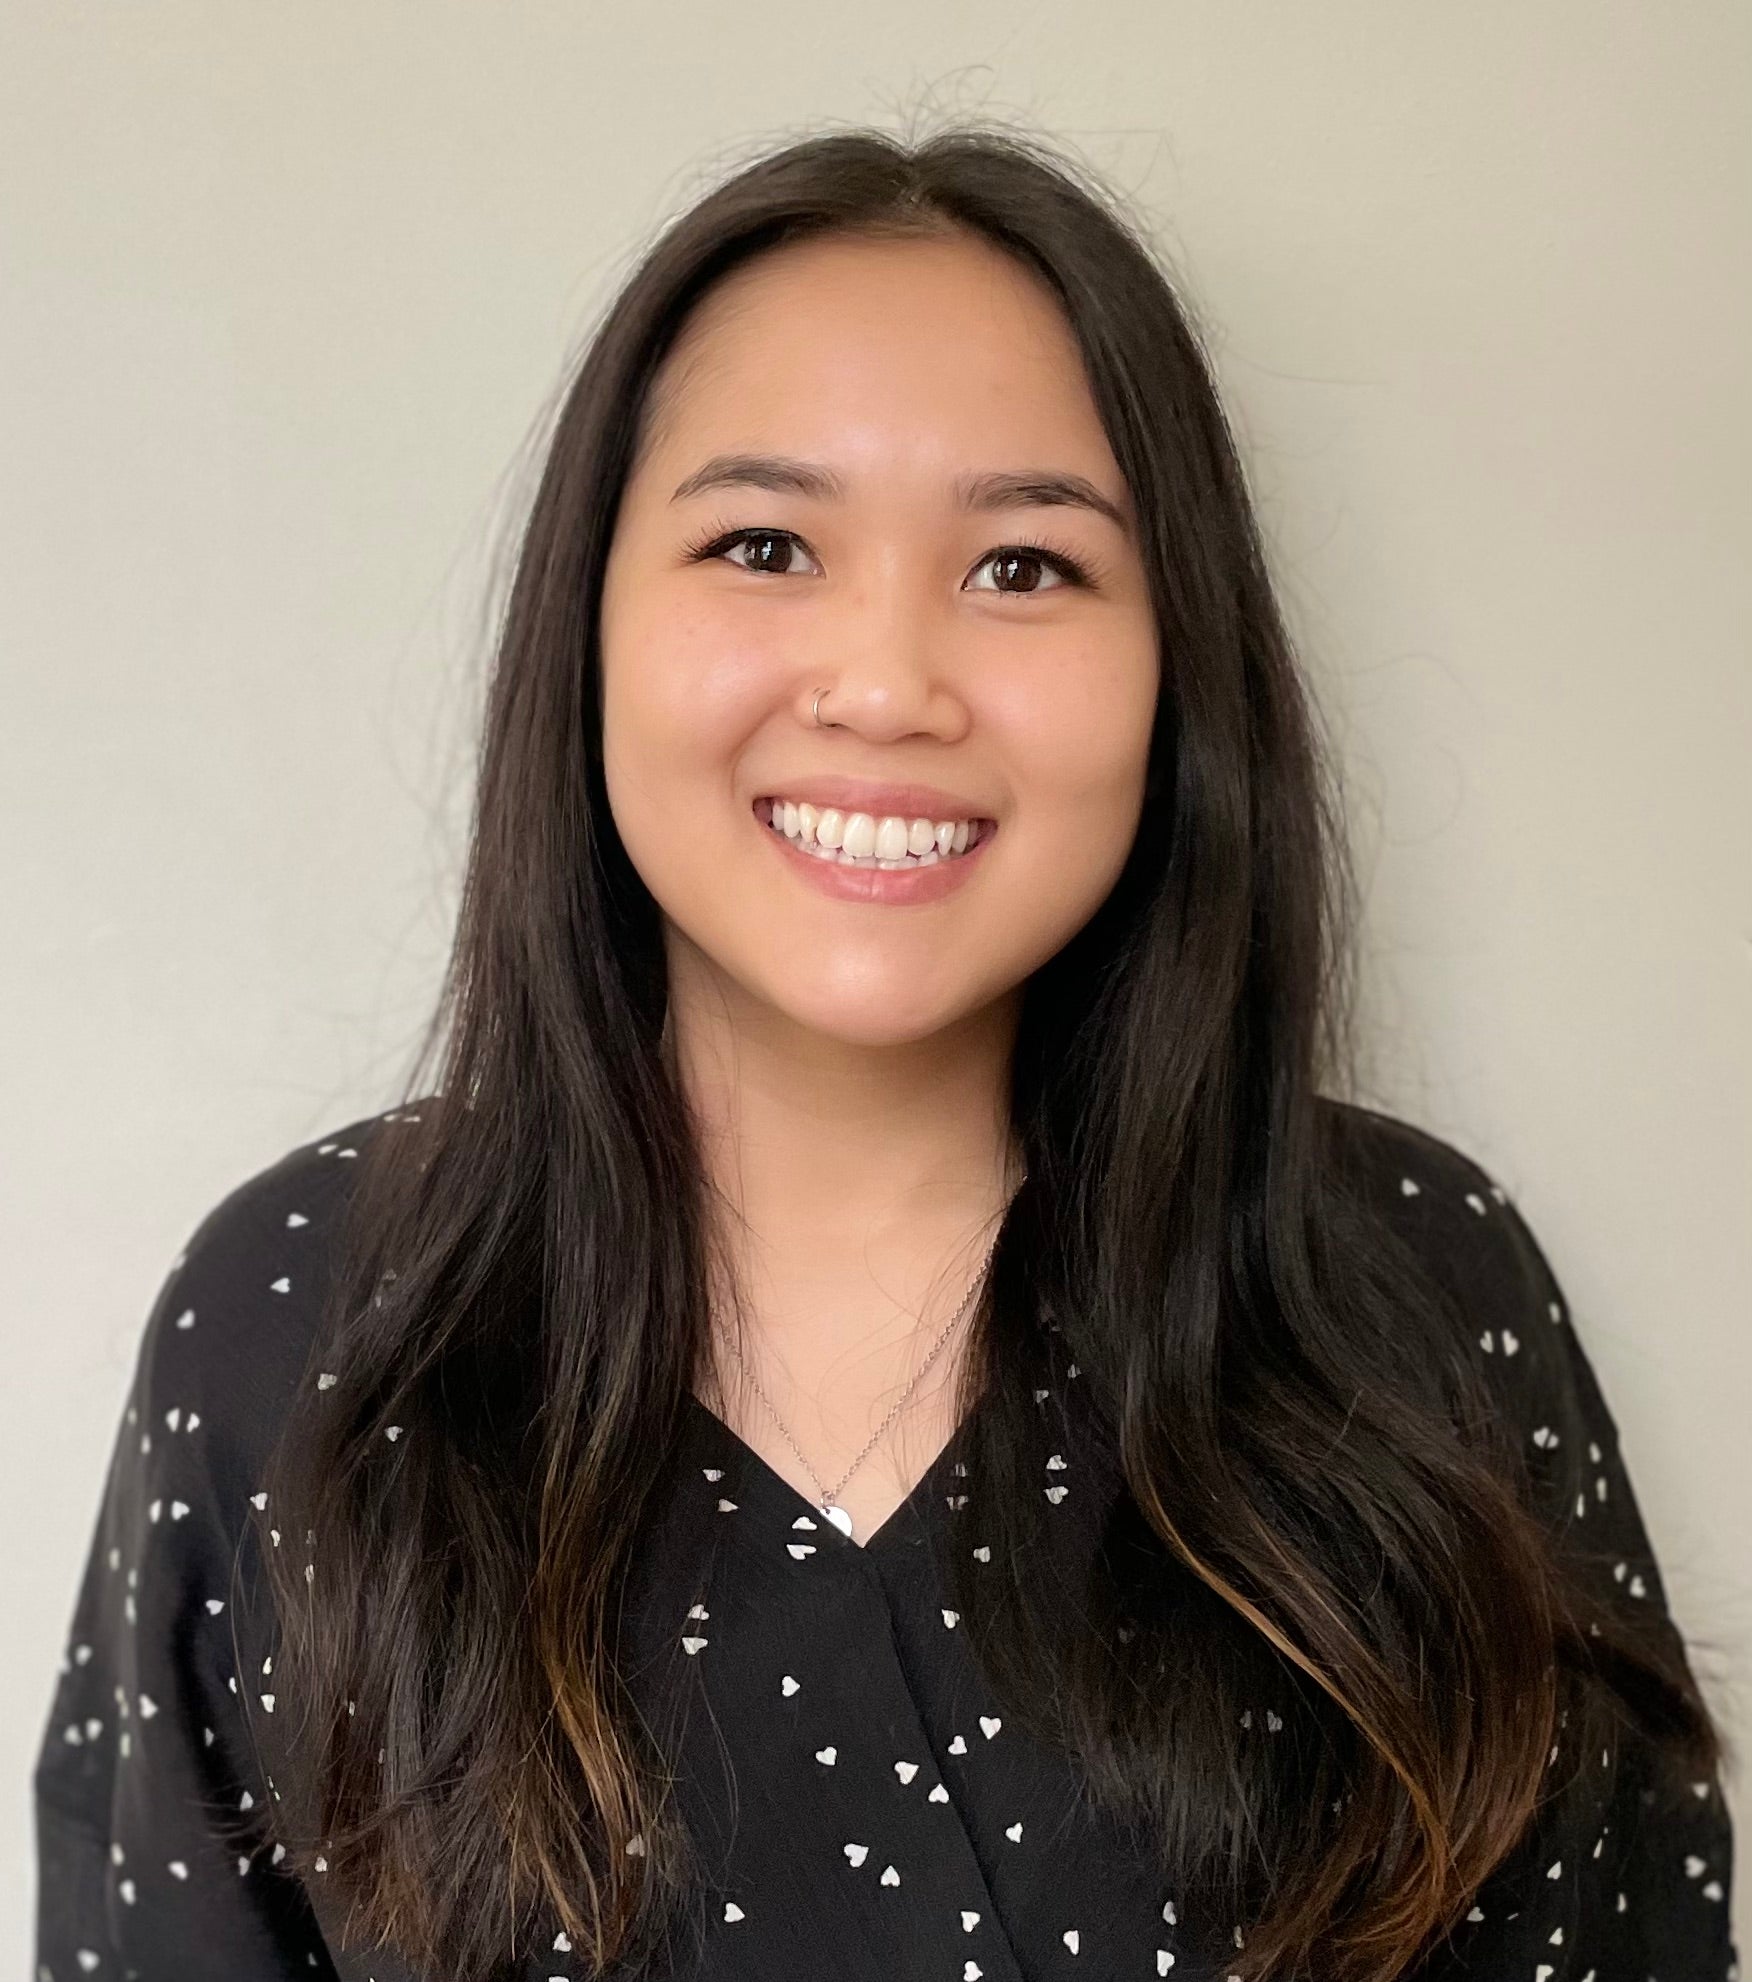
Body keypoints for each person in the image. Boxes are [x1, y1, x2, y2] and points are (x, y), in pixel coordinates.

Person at [33, 124, 1738, 1982]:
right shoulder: (302, 1318)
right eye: (763, 544)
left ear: (1180, 669)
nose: (885, 681)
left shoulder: (1405, 1278)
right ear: (590, 625)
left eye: (1024, 568)